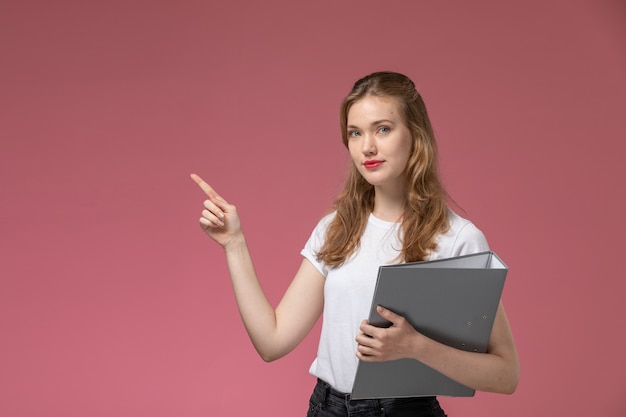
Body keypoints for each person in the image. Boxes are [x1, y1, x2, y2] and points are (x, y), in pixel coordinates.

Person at [191, 71, 519, 417]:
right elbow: (272, 342)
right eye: (355, 133)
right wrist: (234, 244)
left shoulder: (459, 238)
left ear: (415, 135)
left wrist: (416, 347)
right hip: (328, 408)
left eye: (383, 129)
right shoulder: (336, 229)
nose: (367, 147)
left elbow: (505, 373)